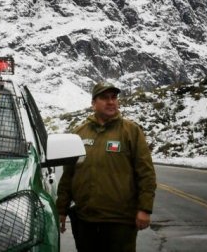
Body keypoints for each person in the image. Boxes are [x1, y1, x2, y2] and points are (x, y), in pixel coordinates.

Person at [57, 81, 157, 252]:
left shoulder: (131, 131)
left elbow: (146, 173)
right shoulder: (80, 133)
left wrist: (144, 209)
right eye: (104, 98)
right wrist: (61, 209)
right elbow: (69, 175)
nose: (111, 102)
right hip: (85, 219)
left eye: (114, 97)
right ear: (93, 104)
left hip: (120, 222)